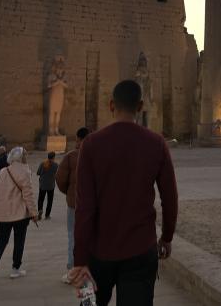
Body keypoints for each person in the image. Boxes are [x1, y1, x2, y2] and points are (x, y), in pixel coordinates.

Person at [69, 81, 178, 306]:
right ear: (139, 107)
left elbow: (85, 207)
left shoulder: (90, 145)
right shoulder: (156, 144)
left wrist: (79, 260)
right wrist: (166, 237)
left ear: (111, 105)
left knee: (87, 304)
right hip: (141, 251)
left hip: (95, 254)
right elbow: (169, 198)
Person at [0, 147, 38, 284]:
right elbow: (28, 195)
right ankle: (15, 269)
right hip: (19, 214)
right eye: (25, 155)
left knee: (1, 241)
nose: (26, 157)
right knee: (19, 241)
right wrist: (34, 213)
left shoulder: (3, 171)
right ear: (21, 158)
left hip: (2, 214)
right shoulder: (25, 172)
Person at [56, 126, 89, 283]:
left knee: (73, 235)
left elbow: (61, 180)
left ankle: (73, 269)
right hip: (92, 205)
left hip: (74, 204)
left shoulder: (71, 157)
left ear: (78, 139)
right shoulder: (98, 156)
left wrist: (70, 193)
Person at [37, 151, 59, 220]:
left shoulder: (43, 163)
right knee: (49, 200)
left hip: (43, 184)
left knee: (41, 199)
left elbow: (38, 173)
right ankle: (47, 215)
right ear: (54, 157)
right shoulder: (56, 165)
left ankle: (40, 210)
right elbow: (57, 174)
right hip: (51, 185)